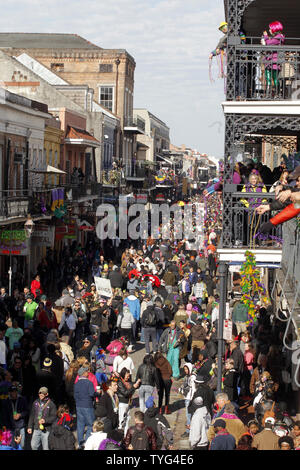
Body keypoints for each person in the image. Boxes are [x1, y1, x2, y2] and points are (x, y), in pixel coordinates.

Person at [117, 367, 141, 435]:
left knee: (127, 420)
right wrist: (134, 387)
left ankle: (125, 435)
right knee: (122, 420)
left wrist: (138, 382)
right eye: (127, 376)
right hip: (122, 403)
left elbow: (133, 386)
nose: (128, 377)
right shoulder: (119, 382)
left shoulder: (128, 382)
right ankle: (120, 435)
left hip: (128, 403)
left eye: (128, 376)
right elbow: (125, 393)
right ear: (123, 375)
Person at [179, 363, 197, 438]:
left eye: (186, 369)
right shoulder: (189, 376)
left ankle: (188, 431)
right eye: (185, 369)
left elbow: (193, 389)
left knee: (189, 416)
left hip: (189, 399)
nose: (185, 370)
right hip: (188, 398)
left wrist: (191, 399)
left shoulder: (192, 377)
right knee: (189, 415)